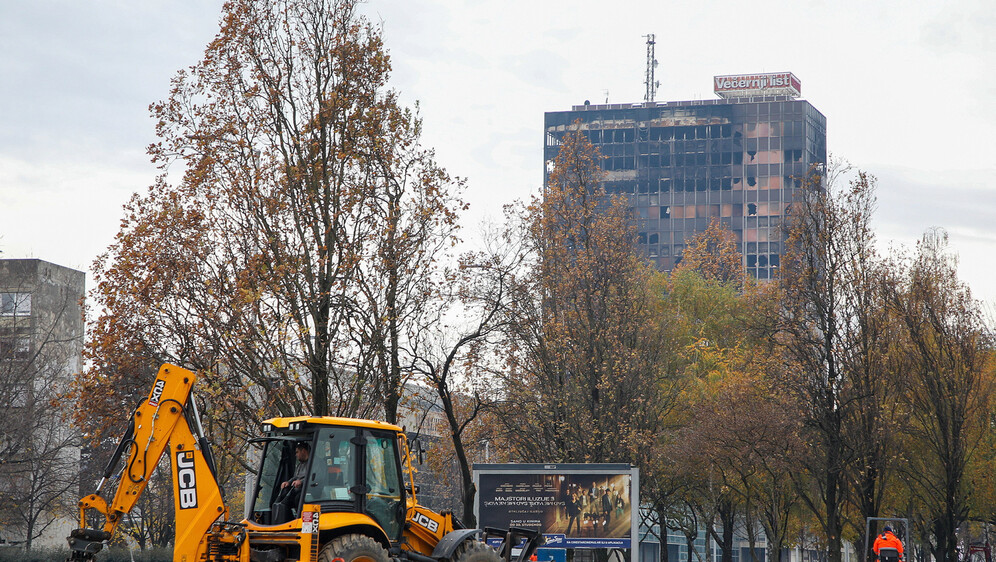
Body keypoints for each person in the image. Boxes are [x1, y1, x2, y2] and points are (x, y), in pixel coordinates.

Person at [275, 441, 311, 512]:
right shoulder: (300, 465)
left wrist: (301, 482)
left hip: (310, 490)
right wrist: (288, 482)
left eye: (297, 452)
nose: (296, 455)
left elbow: (315, 478)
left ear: (303, 451)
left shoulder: (315, 463)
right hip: (298, 489)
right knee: (284, 493)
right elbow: (295, 477)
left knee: (298, 498)